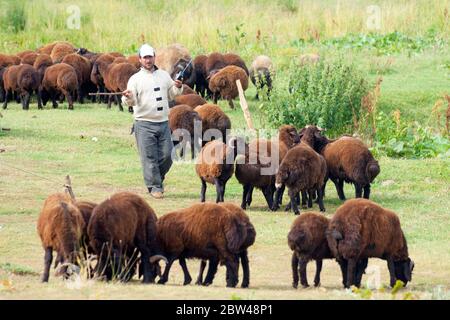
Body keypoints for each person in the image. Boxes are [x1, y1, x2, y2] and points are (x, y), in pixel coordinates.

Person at [122, 44, 183, 199]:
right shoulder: (135, 79)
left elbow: (171, 94)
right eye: (145, 57)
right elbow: (131, 101)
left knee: (168, 155)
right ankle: (155, 186)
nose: (148, 60)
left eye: (150, 57)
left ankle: (155, 178)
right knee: (149, 157)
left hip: (163, 122)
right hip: (144, 123)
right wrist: (128, 97)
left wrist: (177, 87)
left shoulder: (163, 75)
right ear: (140, 59)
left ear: (154, 57)